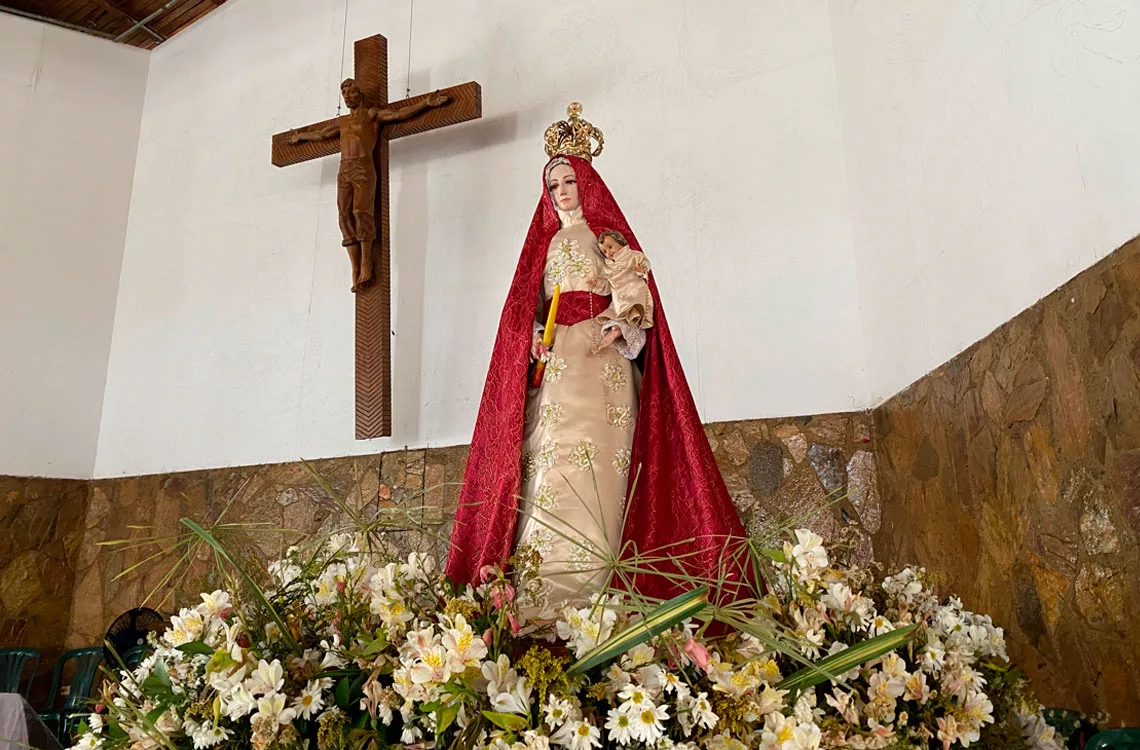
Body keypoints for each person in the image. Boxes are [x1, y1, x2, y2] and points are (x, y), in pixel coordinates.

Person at [445, 104, 751, 612]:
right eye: (554, 185)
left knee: (604, 455)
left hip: (600, 352)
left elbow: (634, 286)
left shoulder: (606, 238)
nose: (562, 192)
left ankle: (602, 583)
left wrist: (620, 321)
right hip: (560, 354)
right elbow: (528, 306)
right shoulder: (542, 247)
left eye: (569, 181)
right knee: (551, 456)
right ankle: (544, 585)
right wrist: (533, 338)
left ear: (586, 182)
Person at [288, 81, 448, 291]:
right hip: (344, 168)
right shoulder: (342, 122)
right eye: (344, 93)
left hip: (363, 166)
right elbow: (322, 134)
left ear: (360, 94)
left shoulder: (372, 114)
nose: (347, 97)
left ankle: (366, 262)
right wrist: (300, 136)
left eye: (351, 92)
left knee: (360, 210)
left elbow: (399, 114)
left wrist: (425, 104)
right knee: (344, 215)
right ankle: (354, 268)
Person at [590, 229, 653, 355]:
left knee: (630, 316)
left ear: (620, 242)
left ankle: (616, 332)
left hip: (634, 293)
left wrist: (641, 270)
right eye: (605, 251)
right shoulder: (608, 267)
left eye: (610, 247)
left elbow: (645, 268)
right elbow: (607, 287)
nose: (608, 253)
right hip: (618, 298)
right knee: (616, 318)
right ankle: (611, 334)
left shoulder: (633, 256)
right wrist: (598, 285)